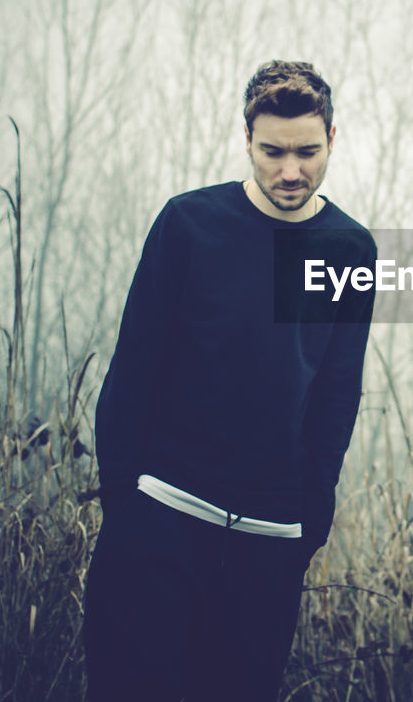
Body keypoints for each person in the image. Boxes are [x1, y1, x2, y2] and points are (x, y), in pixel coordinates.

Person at [83, 60, 377, 701]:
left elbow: (336, 393)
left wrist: (307, 525)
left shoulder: (352, 251)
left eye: (307, 151)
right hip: (160, 518)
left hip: (267, 545)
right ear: (248, 141)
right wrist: (125, 507)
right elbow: (133, 368)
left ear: (334, 138)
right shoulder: (189, 224)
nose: (290, 171)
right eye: (273, 151)